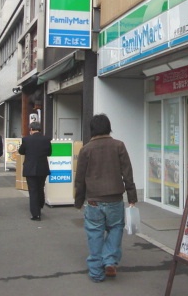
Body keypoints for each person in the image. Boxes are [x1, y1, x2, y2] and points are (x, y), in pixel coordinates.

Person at [74, 114, 137, 283]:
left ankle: (96, 272)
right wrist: (132, 197)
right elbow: (127, 173)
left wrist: (78, 201)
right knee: (116, 228)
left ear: (92, 130)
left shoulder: (86, 149)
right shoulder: (119, 146)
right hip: (115, 199)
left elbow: (80, 179)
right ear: (109, 128)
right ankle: (110, 260)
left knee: (94, 233)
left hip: (93, 201)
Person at [18, 121, 52, 221]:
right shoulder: (46, 139)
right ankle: (41, 204)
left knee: (33, 191)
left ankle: (35, 214)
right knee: (40, 187)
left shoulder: (26, 139)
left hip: (30, 168)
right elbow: (49, 153)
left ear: (31, 129)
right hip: (42, 168)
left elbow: (21, 151)